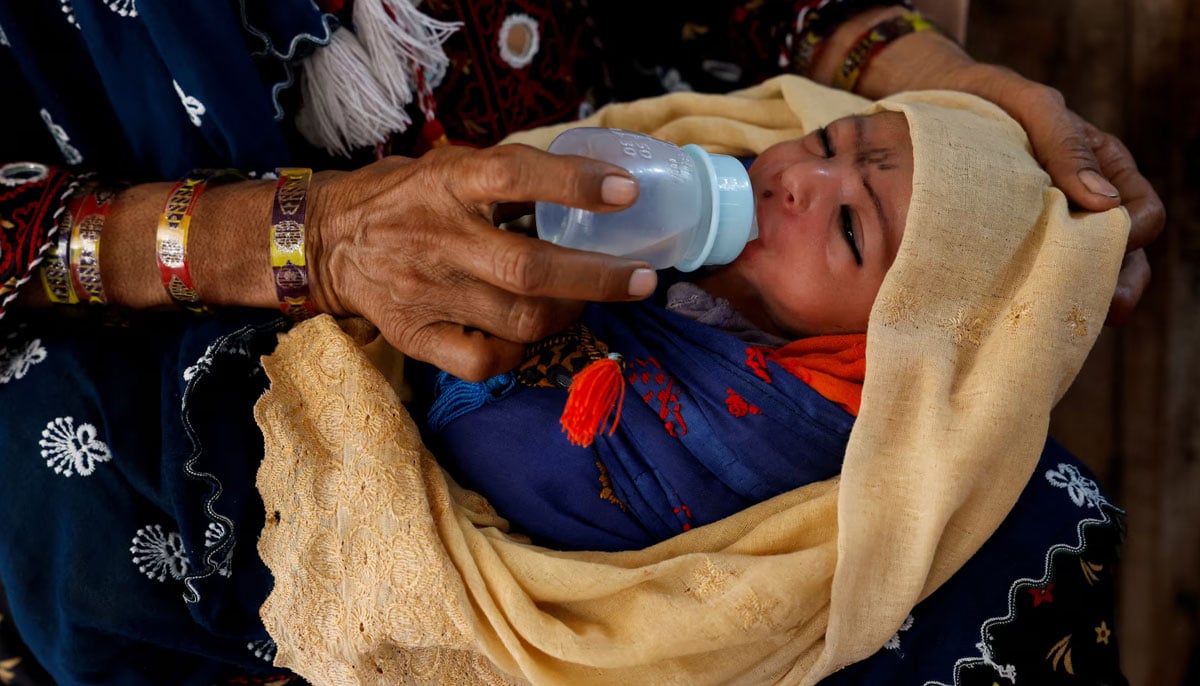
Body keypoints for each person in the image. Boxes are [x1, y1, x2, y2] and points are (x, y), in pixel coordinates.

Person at [0, 1, 1160, 684]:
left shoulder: (817, 394)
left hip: (546, 355)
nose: (800, 170)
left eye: (853, 208)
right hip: (177, 331)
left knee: (1019, 528)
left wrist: (943, 92)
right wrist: (316, 241)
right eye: (827, 147)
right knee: (84, 496)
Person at [256, 76, 1131, 684]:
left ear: (898, 348)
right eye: (829, 141)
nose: (799, 180)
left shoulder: (799, 431)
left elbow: (548, 473)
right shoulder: (688, 181)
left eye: (853, 232)